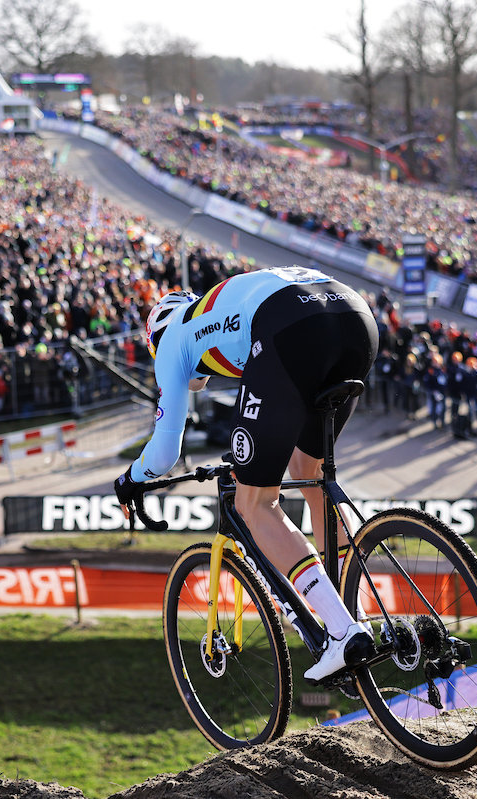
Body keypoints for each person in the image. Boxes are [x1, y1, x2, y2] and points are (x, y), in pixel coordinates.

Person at [114, 267, 378, 683]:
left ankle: (343, 634)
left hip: (290, 326)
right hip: (355, 315)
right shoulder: (217, 314)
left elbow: (165, 454)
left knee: (254, 502)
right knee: (308, 474)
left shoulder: (172, 341)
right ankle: (360, 613)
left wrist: (131, 478)